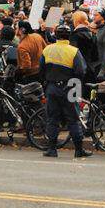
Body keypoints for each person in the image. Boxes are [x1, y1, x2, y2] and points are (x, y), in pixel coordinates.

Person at [39, 24, 91, 158]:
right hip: (70, 88)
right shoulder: (74, 51)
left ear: (55, 35)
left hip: (52, 87)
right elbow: (81, 71)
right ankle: (78, 149)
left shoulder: (48, 49)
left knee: (52, 119)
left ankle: (52, 149)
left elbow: (41, 69)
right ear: (69, 36)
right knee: (73, 119)